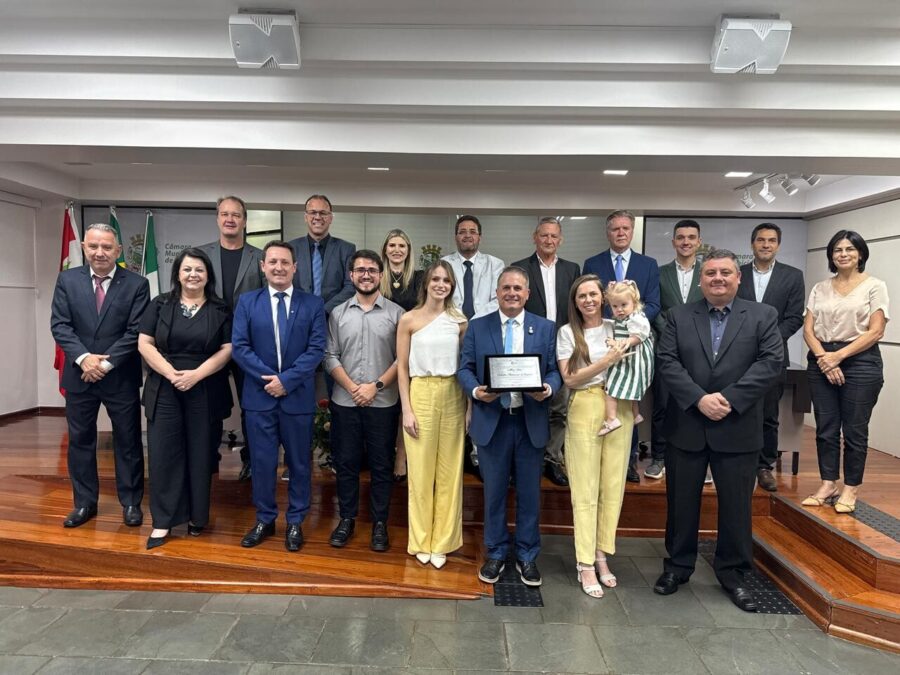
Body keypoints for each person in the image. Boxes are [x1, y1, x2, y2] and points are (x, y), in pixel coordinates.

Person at [653, 249, 782, 613]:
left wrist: (726, 398)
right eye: (710, 273)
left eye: (725, 272)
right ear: (700, 279)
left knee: (737, 508)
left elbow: (771, 362)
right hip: (687, 426)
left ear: (738, 277)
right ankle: (677, 568)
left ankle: (734, 575)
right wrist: (698, 399)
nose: (718, 278)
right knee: (680, 505)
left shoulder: (762, 315)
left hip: (737, 425)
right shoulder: (678, 316)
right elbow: (667, 361)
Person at [458, 266, 561, 587]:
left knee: (530, 494)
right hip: (493, 423)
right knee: (495, 493)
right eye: (506, 288)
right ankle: (497, 552)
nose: (512, 293)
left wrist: (547, 388)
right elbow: (465, 368)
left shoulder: (545, 328)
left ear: (528, 294)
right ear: (497, 293)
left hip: (529, 422)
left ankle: (528, 555)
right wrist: (477, 392)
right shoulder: (478, 327)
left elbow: (556, 371)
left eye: (518, 288)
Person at [51, 223, 150, 529]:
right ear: (84, 247)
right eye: (94, 246)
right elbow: (60, 325)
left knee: (128, 441)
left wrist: (104, 364)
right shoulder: (67, 280)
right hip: (79, 376)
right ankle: (84, 503)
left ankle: (131, 502)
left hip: (119, 376)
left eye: (107, 247)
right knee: (80, 440)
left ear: (118, 251)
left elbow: (136, 331)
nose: (100, 252)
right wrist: (84, 360)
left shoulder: (137, 283)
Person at [231, 241, 327, 551]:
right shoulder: (247, 302)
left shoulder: (312, 304)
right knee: (262, 463)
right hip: (259, 400)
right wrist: (268, 380)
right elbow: (240, 347)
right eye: (272, 262)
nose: (279, 267)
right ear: (263, 266)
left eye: (285, 262)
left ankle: (296, 521)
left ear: (295, 267)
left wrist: (286, 381)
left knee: (300, 464)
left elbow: (316, 350)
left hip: (297, 399)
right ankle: (265, 519)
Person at [137, 248, 233, 548]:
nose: (193, 275)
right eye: (187, 269)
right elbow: (144, 343)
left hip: (204, 386)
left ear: (208, 276)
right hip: (165, 387)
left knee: (201, 454)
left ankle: (197, 517)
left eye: (199, 270)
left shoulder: (221, 308)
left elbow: (228, 349)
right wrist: (172, 373)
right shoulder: (159, 304)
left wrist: (195, 375)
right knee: (164, 455)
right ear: (178, 273)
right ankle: (163, 522)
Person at [557, 274, 632, 598]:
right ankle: (585, 562)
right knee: (585, 489)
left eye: (592, 294)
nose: (587, 300)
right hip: (585, 405)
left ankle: (602, 553)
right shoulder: (566, 333)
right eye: (581, 296)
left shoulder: (618, 325)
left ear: (602, 297)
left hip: (620, 406)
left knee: (612, 487)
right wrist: (605, 361)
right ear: (575, 302)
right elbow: (570, 378)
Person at [802, 230, 888, 514]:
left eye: (850, 249)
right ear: (831, 255)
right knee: (825, 429)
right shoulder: (820, 288)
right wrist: (824, 359)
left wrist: (838, 357)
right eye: (837, 250)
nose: (843, 254)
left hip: (860, 362)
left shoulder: (875, 286)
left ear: (860, 254)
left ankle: (851, 488)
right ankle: (828, 483)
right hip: (822, 358)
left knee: (854, 430)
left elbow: (876, 331)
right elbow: (809, 330)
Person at [325, 250, 404, 552]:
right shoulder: (338, 313)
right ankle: (346, 519)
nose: (366, 275)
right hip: (345, 402)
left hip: (383, 403)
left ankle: (380, 523)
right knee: (346, 464)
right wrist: (352, 387)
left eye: (372, 269)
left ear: (381, 275)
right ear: (351, 275)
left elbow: (402, 358)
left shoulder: (397, 314)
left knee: (382, 466)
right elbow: (329, 355)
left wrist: (376, 386)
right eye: (360, 270)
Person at [396, 260, 468, 569]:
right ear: (426, 283)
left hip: (453, 392)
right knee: (421, 473)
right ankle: (421, 539)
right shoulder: (408, 320)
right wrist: (406, 409)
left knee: (450, 473)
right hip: (421, 392)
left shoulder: (460, 321)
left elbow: (466, 367)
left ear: (452, 286)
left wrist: (469, 408)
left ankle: (443, 542)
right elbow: (401, 366)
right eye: (436, 279)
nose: (441, 284)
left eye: (447, 280)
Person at [583, 210, 660, 482]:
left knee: (627, 398)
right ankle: (599, 462)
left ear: (632, 230)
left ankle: (628, 463)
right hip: (602, 338)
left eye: (625, 228)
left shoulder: (648, 264)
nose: (621, 233)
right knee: (606, 396)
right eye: (615, 228)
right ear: (608, 232)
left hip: (632, 341)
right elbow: (588, 300)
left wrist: (629, 325)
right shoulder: (592, 262)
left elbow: (653, 303)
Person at [197, 195, 264, 481]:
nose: (230, 219)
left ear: (244, 220)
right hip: (210, 342)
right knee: (209, 403)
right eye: (225, 214)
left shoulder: (259, 257)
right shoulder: (200, 256)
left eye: (236, 215)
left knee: (251, 405)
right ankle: (207, 455)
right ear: (217, 219)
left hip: (248, 344)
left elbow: (265, 300)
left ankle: (251, 460)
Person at [512, 217, 581, 487]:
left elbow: (576, 309)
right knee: (527, 405)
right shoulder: (520, 268)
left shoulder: (572, 269)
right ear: (535, 237)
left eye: (554, 236)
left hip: (563, 346)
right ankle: (527, 460)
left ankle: (552, 460)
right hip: (529, 346)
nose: (549, 240)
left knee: (559, 408)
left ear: (560, 239)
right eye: (544, 236)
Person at [737, 223, 805, 492]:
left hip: (773, 356)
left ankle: (764, 466)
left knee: (768, 415)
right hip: (737, 356)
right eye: (761, 240)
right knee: (737, 411)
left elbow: (794, 317)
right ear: (752, 244)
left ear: (778, 245)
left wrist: (768, 340)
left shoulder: (792, 276)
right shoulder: (737, 274)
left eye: (771, 240)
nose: (766, 245)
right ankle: (738, 460)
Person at [443, 215, 505, 477]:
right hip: (449, 333)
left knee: (481, 391)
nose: (467, 235)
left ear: (480, 236)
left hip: (483, 332)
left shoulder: (495, 264)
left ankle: (479, 454)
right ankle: (454, 453)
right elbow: (441, 296)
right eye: (462, 231)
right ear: (456, 236)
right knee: (454, 388)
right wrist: (458, 322)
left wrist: (470, 324)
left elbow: (497, 299)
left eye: (472, 231)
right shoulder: (444, 263)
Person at [647, 219, 704, 480]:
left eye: (691, 237)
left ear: (698, 242)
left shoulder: (708, 273)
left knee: (696, 403)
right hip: (666, 349)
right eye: (680, 237)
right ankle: (659, 457)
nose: (685, 242)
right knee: (663, 403)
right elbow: (654, 307)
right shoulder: (658, 273)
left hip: (700, 351)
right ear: (673, 242)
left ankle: (697, 458)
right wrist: (672, 334)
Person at [379, 228, 424, 482]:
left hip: (411, 349)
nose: (397, 250)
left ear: (408, 251)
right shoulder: (377, 275)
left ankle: (401, 457)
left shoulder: (419, 279)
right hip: (381, 347)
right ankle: (383, 454)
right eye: (392, 245)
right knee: (386, 405)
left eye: (402, 246)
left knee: (405, 405)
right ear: (385, 249)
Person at [599, 281, 654, 436]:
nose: (620, 310)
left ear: (634, 302)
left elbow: (636, 338)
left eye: (624, 305)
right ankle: (636, 415)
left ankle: (611, 419)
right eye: (615, 306)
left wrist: (618, 343)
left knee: (612, 388)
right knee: (631, 389)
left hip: (633, 359)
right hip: (630, 358)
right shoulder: (622, 319)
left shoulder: (636, 318)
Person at [289, 194, 356, 314]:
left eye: (323, 213)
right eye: (313, 212)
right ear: (305, 217)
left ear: (331, 218)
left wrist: (324, 310)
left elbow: (350, 287)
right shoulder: (291, 248)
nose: (317, 217)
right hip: (298, 314)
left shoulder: (346, 249)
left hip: (334, 317)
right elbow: (285, 282)